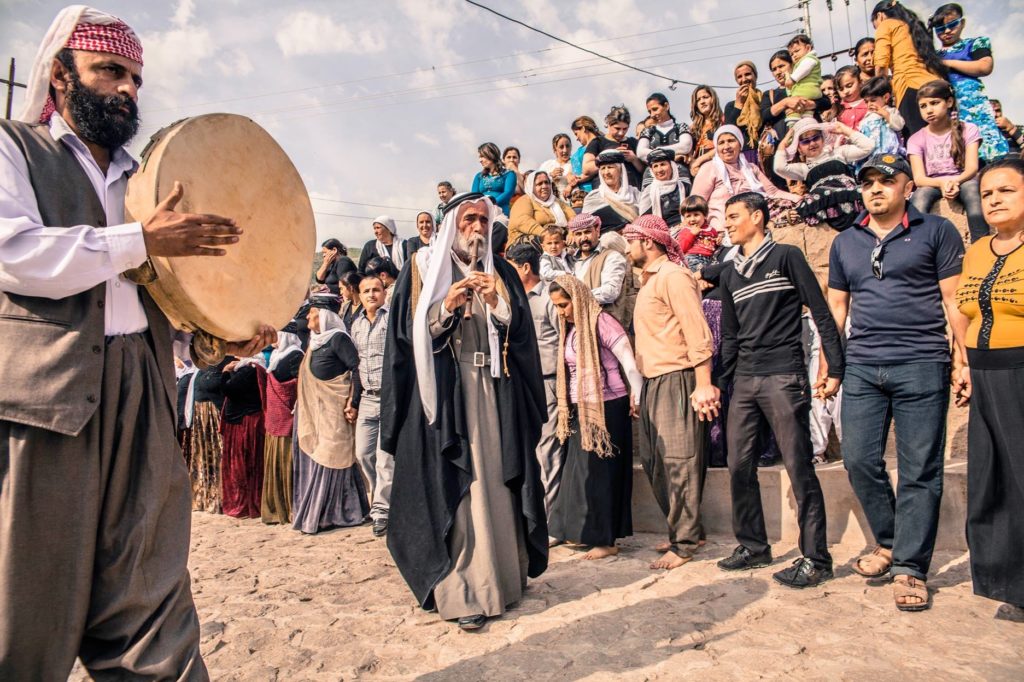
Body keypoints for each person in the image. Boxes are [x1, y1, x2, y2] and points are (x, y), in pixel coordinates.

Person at [0, 8, 278, 677]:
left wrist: (224, 339)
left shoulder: (149, 178)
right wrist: (139, 240)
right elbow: (15, 254)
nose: (126, 88)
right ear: (61, 76)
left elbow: (169, 306)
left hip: (144, 395)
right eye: (109, 71)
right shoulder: (15, 148)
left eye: (134, 77)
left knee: (151, 596)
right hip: (48, 405)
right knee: (26, 605)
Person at [380, 192, 548, 631]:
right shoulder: (420, 271)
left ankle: (505, 581)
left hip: (495, 394)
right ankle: (462, 589)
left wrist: (499, 304)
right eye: (468, 219)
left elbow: (522, 335)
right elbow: (403, 336)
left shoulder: (504, 271)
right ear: (452, 223)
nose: (476, 227)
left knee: (495, 482)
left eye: (482, 220)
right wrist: (444, 308)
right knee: (460, 488)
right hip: (446, 400)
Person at [828, 152, 966, 611]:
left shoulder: (936, 231)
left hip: (921, 362)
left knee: (919, 470)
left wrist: (961, 360)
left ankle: (909, 567)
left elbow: (953, 301)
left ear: (908, 187)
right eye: (867, 182)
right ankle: (889, 541)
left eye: (886, 180)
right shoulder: (845, 241)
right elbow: (837, 311)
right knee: (859, 460)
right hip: (864, 366)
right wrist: (831, 366)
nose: (875, 189)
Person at [714, 192, 844, 588]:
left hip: (784, 375)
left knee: (798, 466)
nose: (727, 223)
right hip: (746, 382)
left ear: (757, 217)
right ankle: (754, 546)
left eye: (733, 216)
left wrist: (835, 367)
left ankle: (816, 559)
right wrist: (723, 384)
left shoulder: (786, 256)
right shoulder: (730, 273)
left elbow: (820, 312)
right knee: (738, 466)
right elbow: (731, 336)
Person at [624, 214, 718, 570]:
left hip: (677, 377)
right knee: (654, 461)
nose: (628, 248)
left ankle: (685, 541)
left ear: (647, 241)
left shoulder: (674, 276)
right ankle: (685, 528)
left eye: (631, 241)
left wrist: (704, 381)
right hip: (652, 382)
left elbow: (697, 330)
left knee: (680, 461)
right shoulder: (649, 282)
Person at [954, 157, 1024, 623]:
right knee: (993, 482)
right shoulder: (978, 249)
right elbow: (963, 308)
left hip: (1020, 369)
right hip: (983, 372)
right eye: (988, 192)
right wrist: (961, 360)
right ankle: (1011, 583)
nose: (994, 199)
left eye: (1007, 191)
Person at [547, 275, 642, 559]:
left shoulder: (602, 322)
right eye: (556, 306)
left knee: (601, 475)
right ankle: (581, 532)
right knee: (580, 473)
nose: (561, 311)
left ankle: (606, 540)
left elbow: (628, 360)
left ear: (577, 299)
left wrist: (637, 396)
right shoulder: (573, 329)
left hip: (606, 409)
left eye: (564, 304)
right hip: (581, 408)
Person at [292, 300, 371, 534]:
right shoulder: (314, 343)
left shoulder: (338, 339)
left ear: (324, 316)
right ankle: (323, 513)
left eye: (312, 315)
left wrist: (353, 400)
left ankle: (335, 513)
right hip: (317, 413)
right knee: (320, 456)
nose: (308, 320)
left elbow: (356, 368)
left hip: (334, 411)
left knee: (333, 456)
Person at [507, 244, 565, 519]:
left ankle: (548, 519)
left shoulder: (549, 298)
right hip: (522, 385)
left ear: (525, 267)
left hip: (547, 384)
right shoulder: (513, 300)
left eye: (512, 267)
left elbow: (564, 341)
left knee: (548, 452)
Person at [907, 79, 987, 242]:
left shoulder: (968, 129)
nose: (929, 110)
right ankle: (917, 247)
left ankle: (981, 245)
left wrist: (954, 182)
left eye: (934, 103)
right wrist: (943, 184)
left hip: (964, 179)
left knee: (973, 193)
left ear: (949, 102)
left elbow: (972, 168)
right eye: (923, 106)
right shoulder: (915, 139)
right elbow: (919, 178)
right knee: (919, 200)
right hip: (932, 183)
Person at [346, 275, 394, 537]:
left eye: (376, 290)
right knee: (364, 453)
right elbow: (356, 364)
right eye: (366, 291)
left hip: (388, 395)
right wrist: (353, 399)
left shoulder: (391, 319)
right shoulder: (356, 325)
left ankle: (381, 511)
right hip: (367, 397)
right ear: (360, 295)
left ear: (384, 292)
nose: (372, 295)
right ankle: (381, 499)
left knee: (385, 456)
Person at [692, 125, 802, 236]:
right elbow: (695, 204)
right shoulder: (709, 168)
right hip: (724, 228)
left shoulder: (751, 168)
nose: (726, 146)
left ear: (740, 144)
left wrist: (799, 199)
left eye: (731, 141)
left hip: (754, 221)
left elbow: (773, 193)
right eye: (721, 143)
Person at [932, 3, 1009, 162]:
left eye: (952, 25)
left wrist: (946, 63)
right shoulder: (932, 55)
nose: (947, 31)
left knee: (989, 156)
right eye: (940, 29)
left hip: (975, 108)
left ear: (962, 23)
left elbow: (984, 66)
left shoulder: (975, 43)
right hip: (948, 111)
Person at [775, 119, 875, 231]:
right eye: (805, 141)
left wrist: (845, 130)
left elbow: (868, 146)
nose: (812, 143)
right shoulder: (804, 168)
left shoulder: (839, 153)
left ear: (823, 139)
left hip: (852, 199)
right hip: (825, 206)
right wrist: (783, 144)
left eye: (815, 138)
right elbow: (779, 167)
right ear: (799, 148)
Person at [871, 0, 949, 135]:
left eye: (875, 24)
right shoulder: (915, 26)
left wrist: (879, 90)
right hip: (936, 86)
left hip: (909, 87)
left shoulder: (886, 24)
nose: (877, 27)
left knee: (917, 142)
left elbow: (881, 65)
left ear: (880, 16)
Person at [262, 323, 303, 525]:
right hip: (275, 418)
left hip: (287, 418)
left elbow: (300, 385)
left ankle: (289, 507)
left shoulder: (295, 356)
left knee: (287, 461)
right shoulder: (279, 356)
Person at [219, 354, 267, 519]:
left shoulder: (249, 370)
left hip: (246, 421)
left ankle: (245, 503)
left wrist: (225, 372)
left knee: (244, 465)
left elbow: (228, 389)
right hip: (242, 419)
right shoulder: (247, 369)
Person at [569, 212, 631, 326]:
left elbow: (610, 292)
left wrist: (575, 297)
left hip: (605, 326)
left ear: (597, 231)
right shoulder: (570, 261)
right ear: (573, 236)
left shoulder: (611, 257)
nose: (583, 238)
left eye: (587, 232)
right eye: (578, 234)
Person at [187, 357, 229, 513]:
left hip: (213, 415)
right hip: (202, 416)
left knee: (217, 456)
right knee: (205, 457)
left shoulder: (225, 361)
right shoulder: (206, 365)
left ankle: (219, 497)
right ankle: (206, 496)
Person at [638, 92, 695, 190]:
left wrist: (656, 151)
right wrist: (673, 155)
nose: (652, 114)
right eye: (649, 111)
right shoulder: (648, 131)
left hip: (679, 175)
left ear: (666, 106)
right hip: (652, 177)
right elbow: (641, 152)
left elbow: (685, 146)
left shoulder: (681, 127)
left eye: (655, 109)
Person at [583, 105, 645, 189]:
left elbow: (646, 170)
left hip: (632, 194)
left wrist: (634, 159)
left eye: (625, 129)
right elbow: (586, 169)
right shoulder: (598, 142)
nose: (621, 133)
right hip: (605, 195)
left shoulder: (634, 142)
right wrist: (609, 156)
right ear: (608, 124)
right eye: (617, 128)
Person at [508, 170, 574, 248]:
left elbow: (572, 216)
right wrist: (546, 234)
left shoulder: (556, 201)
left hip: (556, 238)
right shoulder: (524, 200)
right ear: (531, 186)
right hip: (526, 240)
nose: (544, 186)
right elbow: (522, 221)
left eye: (547, 182)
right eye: (539, 184)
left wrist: (572, 232)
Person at [581, 150, 641, 233]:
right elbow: (585, 228)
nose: (606, 172)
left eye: (610, 167)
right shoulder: (592, 198)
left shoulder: (635, 194)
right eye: (603, 168)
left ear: (620, 170)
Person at [723, 62, 765, 164]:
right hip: (743, 156)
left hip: (765, 153)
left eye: (748, 74)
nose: (744, 79)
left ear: (755, 76)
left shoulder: (765, 99)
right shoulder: (731, 106)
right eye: (739, 77)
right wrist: (739, 104)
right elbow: (729, 131)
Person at [858, 76, 907, 161]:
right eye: (866, 102)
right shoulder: (867, 117)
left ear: (886, 97)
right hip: (872, 155)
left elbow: (899, 125)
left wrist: (886, 115)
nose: (869, 104)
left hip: (890, 154)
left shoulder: (891, 111)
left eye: (873, 100)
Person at [638, 147, 687, 229]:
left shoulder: (684, 187)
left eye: (663, 164)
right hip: (661, 233)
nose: (659, 170)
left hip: (685, 229)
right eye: (655, 166)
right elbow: (645, 220)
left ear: (672, 166)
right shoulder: (649, 191)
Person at [676, 194, 722, 271]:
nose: (692, 219)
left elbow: (713, 244)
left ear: (705, 215)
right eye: (688, 216)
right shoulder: (686, 230)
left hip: (709, 258)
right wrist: (691, 234)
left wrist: (718, 241)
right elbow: (681, 248)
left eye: (696, 215)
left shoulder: (711, 230)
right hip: (692, 257)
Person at [785, 35, 824, 125]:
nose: (794, 55)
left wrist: (792, 79)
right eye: (791, 54)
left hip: (806, 91)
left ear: (808, 48)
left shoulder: (810, 59)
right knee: (807, 115)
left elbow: (803, 69)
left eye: (797, 51)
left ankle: (793, 126)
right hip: (809, 93)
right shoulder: (800, 63)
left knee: (793, 115)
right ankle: (807, 120)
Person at [471, 142, 517, 217]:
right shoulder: (479, 176)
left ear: (491, 154)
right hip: (482, 213)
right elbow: (474, 196)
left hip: (501, 213)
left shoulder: (509, 174)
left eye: (482, 156)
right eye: (479, 157)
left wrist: (491, 204)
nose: (480, 160)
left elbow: (508, 193)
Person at [688, 85, 725, 178]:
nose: (702, 102)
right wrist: (692, 165)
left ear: (713, 99)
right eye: (698, 100)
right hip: (698, 170)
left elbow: (726, 146)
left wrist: (699, 160)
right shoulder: (693, 127)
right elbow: (689, 151)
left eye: (705, 97)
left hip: (719, 166)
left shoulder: (724, 121)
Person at [540, 133, 577, 199]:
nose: (565, 150)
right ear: (555, 149)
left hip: (572, 201)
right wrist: (551, 175)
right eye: (561, 147)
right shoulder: (547, 165)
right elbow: (535, 181)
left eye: (567, 146)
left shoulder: (576, 163)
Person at [570, 115, 600, 192]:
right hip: (580, 193)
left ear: (583, 129)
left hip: (594, 189)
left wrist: (573, 183)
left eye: (576, 134)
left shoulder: (599, 143)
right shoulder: (581, 149)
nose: (576, 138)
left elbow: (595, 168)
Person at [836, 65, 870, 132]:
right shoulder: (838, 108)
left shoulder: (870, 103)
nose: (846, 91)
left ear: (860, 82)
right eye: (841, 89)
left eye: (849, 86)